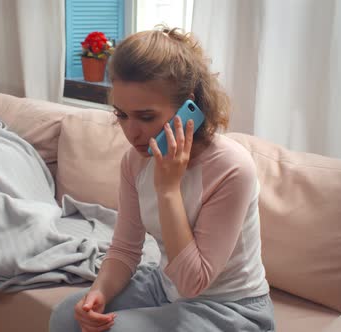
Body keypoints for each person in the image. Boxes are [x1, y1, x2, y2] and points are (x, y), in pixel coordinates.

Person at [49, 26, 275, 332]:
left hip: (230, 307)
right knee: (67, 316)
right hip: (165, 287)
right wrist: (98, 293)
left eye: (146, 117)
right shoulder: (136, 160)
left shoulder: (232, 168)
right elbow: (125, 250)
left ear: (188, 107)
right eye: (122, 115)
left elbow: (193, 282)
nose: (132, 133)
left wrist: (168, 189)